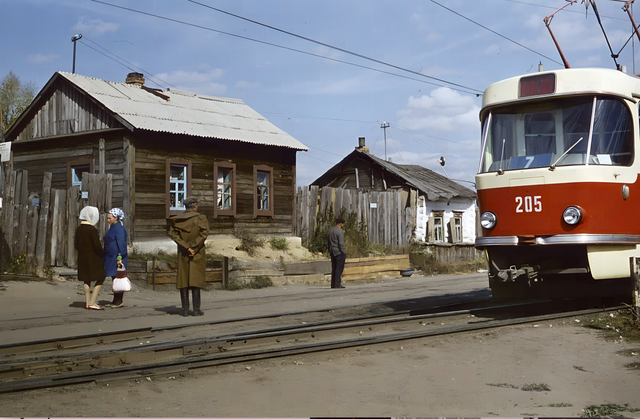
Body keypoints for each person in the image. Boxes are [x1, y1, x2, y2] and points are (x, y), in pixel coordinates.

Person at [168, 196, 209, 316]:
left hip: (183, 252)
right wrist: (194, 248)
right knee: (196, 280)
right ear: (195, 206)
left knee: (183, 280)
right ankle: (196, 310)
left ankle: (185, 310)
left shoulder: (177, 220)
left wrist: (186, 247)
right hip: (197, 253)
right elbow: (204, 233)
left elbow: (173, 234)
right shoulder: (201, 218)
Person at [75, 206, 106, 310]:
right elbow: (97, 245)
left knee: (86, 279)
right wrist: (103, 253)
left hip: (82, 257)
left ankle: (87, 302)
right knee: (100, 277)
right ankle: (93, 301)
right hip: (93, 258)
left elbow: (76, 244)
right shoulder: (92, 229)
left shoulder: (79, 229)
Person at [103, 208, 128, 308]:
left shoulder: (120, 229)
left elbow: (122, 244)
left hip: (117, 257)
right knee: (114, 278)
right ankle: (115, 299)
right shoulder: (113, 227)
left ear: (116, 217)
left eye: (110, 218)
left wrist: (119, 256)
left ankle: (119, 300)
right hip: (110, 256)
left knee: (119, 278)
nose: (108, 220)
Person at [327, 217, 346, 289]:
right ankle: (337, 283)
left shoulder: (330, 231)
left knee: (334, 267)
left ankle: (333, 284)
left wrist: (330, 250)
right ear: (341, 224)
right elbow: (341, 243)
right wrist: (343, 252)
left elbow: (328, 243)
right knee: (339, 268)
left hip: (332, 251)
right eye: (343, 224)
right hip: (338, 252)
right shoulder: (339, 231)